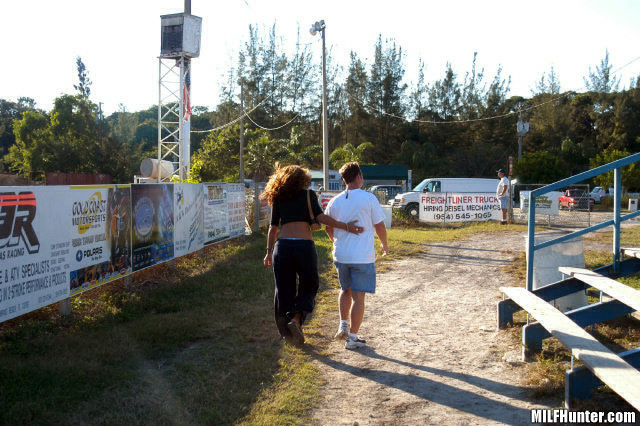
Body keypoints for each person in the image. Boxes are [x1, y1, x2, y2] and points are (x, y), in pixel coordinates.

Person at [261, 165, 363, 346]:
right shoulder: (308, 195)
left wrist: (268, 252)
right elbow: (321, 218)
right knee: (310, 284)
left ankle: (285, 333)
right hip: (303, 246)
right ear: (302, 179)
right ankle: (297, 319)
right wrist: (345, 226)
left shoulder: (278, 197)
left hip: (282, 247)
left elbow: (273, 227)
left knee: (283, 290)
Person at [324, 162, 389, 350]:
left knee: (345, 290)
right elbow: (379, 225)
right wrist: (384, 244)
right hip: (362, 256)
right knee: (359, 297)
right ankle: (352, 337)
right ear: (359, 176)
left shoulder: (335, 201)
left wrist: (336, 242)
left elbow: (329, 227)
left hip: (341, 254)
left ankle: (343, 324)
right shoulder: (368, 198)